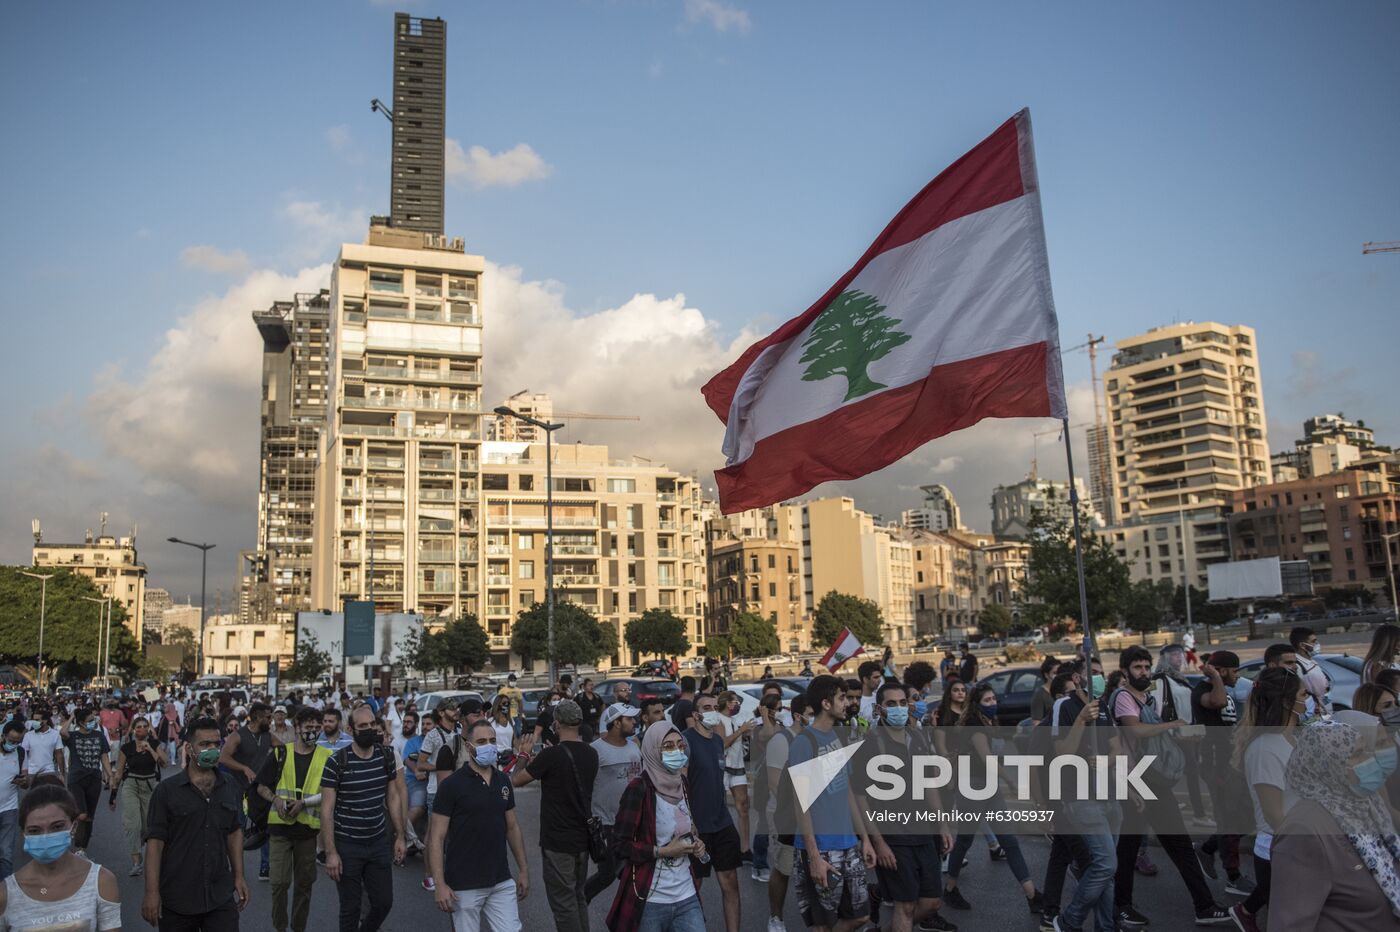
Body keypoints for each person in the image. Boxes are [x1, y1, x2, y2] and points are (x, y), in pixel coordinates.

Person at [1110, 645, 1230, 926]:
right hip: (1136, 778)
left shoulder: (1148, 698)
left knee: (1164, 845)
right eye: (1137, 667)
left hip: (1149, 778)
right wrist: (1170, 724)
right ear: (1125, 671)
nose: (1143, 671)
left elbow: (1154, 738)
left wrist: (1181, 736)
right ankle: (1123, 907)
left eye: (1145, 666)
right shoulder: (1124, 698)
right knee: (1134, 848)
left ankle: (1201, 905)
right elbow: (1135, 729)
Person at [1268, 717, 1400, 930]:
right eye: (1356, 755)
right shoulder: (1304, 832)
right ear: (1325, 764)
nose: (1369, 761)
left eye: (1366, 752)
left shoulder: (1366, 806)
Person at [855, 681, 954, 932]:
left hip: (925, 833)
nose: (899, 708)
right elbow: (861, 797)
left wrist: (942, 825)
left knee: (932, 903)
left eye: (902, 703)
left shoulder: (918, 736)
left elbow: (929, 783)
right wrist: (878, 842)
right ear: (879, 709)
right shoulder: (870, 744)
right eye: (891, 704)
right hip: (894, 837)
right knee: (905, 906)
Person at [941, 684, 1042, 914]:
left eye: (994, 699)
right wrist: (1012, 781)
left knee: (1009, 842)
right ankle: (950, 889)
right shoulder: (975, 727)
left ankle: (1032, 894)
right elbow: (986, 759)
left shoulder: (987, 723)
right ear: (977, 704)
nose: (993, 703)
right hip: (972, 788)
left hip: (988, 787)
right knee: (965, 841)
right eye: (987, 700)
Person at [143, 716, 250, 930]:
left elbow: (235, 832)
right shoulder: (166, 791)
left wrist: (239, 876)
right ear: (189, 748)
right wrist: (151, 893)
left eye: (216, 744)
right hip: (178, 899)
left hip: (219, 896)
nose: (212, 749)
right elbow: (155, 844)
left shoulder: (229, 785)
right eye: (204, 744)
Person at [788, 675, 874, 932]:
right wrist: (814, 856)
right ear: (826, 704)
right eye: (842, 698)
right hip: (821, 848)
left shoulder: (838, 738)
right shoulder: (804, 743)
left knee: (861, 915)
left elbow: (847, 791)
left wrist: (865, 838)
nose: (847, 703)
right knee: (821, 924)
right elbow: (801, 804)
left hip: (848, 845)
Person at [428, 718, 529, 932]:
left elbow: (512, 827)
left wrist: (523, 870)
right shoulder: (451, 786)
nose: (489, 746)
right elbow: (436, 837)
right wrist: (440, 884)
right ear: (468, 746)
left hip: (500, 880)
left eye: (492, 740)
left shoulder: (502, 781)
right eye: (481, 741)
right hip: (464, 885)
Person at [605, 722, 706, 932]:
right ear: (652, 750)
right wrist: (664, 851)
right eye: (668, 746)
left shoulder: (682, 783)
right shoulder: (639, 788)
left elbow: (687, 828)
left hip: (686, 894)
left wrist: (696, 843)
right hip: (650, 898)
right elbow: (619, 845)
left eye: (680, 745)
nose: (677, 751)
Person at [1227, 666, 1304, 932]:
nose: (1309, 700)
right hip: (1280, 849)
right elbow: (1274, 815)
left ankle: (1245, 911)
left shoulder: (1290, 739)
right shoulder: (1265, 749)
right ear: (1287, 701)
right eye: (1304, 694)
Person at [511, 699, 597, 932]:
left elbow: (516, 780)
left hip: (558, 841)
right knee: (578, 897)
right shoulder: (591, 753)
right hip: (582, 839)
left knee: (563, 903)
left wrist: (524, 755)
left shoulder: (552, 755)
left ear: (557, 724)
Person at [321, 705, 407, 932]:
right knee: (350, 908)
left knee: (383, 903)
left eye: (372, 725)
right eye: (363, 726)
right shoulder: (336, 762)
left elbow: (393, 797)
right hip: (347, 845)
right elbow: (327, 810)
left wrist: (400, 835)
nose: (369, 730)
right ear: (350, 730)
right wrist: (331, 853)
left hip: (378, 842)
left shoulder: (386, 757)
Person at [1, 783, 121, 930]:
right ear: (23, 834)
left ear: (74, 826)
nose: (46, 836)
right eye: (35, 830)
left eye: (57, 827)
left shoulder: (101, 882)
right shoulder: (5, 895)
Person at [251, 707, 329, 932]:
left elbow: (331, 792)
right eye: (308, 728)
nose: (313, 732)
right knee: (279, 883)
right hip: (280, 829)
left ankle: (298, 928)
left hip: (307, 831)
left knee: (304, 885)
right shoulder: (280, 753)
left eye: (316, 728)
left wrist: (304, 803)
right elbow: (261, 786)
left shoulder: (327, 757)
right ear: (298, 728)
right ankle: (280, 927)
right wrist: (275, 799)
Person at [1190, 651, 1253, 897]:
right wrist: (1215, 677)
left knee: (1246, 816)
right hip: (1215, 763)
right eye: (1234, 671)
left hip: (1233, 761)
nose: (1237, 676)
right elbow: (1215, 702)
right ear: (1221, 670)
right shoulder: (1203, 691)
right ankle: (1233, 876)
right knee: (1228, 817)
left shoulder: (1224, 689)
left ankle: (1206, 848)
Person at [681, 692, 743, 932]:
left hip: (722, 824)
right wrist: (688, 821)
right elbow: (681, 785)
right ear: (696, 714)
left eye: (715, 706)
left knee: (731, 885)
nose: (713, 711)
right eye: (707, 707)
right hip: (697, 828)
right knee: (691, 890)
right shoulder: (685, 741)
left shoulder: (718, 741)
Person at [585, 702, 641, 902]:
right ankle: (582, 898)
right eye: (629, 719)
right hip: (605, 825)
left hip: (630, 823)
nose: (634, 722)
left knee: (630, 873)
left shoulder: (635, 748)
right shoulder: (594, 750)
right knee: (608, 872)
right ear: (616, 723)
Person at [219, 701, 277, 882]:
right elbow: (223, 757)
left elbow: (285, 750)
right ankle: (232, 868)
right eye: (268, 717)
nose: (271, 719)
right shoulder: (238, 736)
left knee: (265, 827)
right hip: (237, 789)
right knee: (238, 829)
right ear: (257, 717)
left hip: (258, 789)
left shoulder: (267, 735)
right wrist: (244, 768)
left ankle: (265, 867)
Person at [109, 714, 167, 877]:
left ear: (149, 729)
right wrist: (112, 796)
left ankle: (142, 846)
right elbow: (119, 772)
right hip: (131, 785)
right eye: (138, 727)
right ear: (133, 730)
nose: (142, 729)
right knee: (132, 824)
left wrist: (150, 749)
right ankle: (136, 862)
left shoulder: (154, 744)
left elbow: (164, 763)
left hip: (150, 785)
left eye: (144, 726)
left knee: (147, 826)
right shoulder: (126, 748)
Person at [60, 706, 112, 853]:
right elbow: (62, 732)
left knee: (89, 816)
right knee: (81, 814)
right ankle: (73, 828)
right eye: (89, 720)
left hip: (94, 778)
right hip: (76, 779)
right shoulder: (73, 736)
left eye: (93, 719)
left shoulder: (99, 735)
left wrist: (109, 775)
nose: (93, 722)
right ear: (81, 723)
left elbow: (104, 757)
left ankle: (81, 848)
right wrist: (72, 716)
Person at [715, 690, 756, 864]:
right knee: (720, 808)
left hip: (738, 766)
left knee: (744, 807)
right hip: (724, 768)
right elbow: (722, 743)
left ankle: (745, 848)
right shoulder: (718, 720)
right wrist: (741, 730)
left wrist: (746, 732)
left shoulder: (733, 720)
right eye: (734, 702)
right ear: (726, 702)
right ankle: (723, 846)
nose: (737, 705)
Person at [0, 719, 28, 881]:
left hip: (9, 809)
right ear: (3, 736)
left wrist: (23, 782)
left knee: (6, 852)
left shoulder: (20, 752)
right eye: (11, 741)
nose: (14, 744)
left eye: (18, 742)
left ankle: (5, 890)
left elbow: (26, 780)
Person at [1290, 626, 1332, 718]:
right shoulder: (1297, 666)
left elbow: (1324, 688)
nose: (1317, 644)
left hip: (1324, 713)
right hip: (1312, 716)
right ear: (1302, 645)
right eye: (1313, 642)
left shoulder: (1312, 662)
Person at [21, 706, 64, 780]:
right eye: (33, 720)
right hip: (32, 773)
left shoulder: (55, 734)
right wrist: (24, 772)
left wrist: (61, 773)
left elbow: (59, 754)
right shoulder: (28, 735)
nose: (34, 722)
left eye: (37, 720)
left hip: (49, 772)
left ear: (45, 721)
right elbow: (24, 754)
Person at [1030, 656, 1060, 721]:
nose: (1058, 675)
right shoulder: (1040, 694)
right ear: (1046, 675)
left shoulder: (1064, 690)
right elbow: (1037, 722)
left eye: (1060, 672)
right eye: (1055, 673)